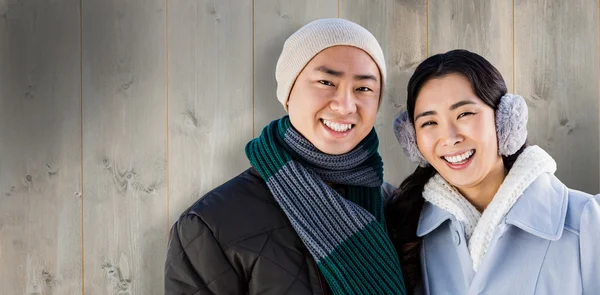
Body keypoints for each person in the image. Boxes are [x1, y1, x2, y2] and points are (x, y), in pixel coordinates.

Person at [165, 18, 406, 295]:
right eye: (326, 82)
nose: (345, 105)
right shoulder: (211, 226)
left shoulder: (399, 211)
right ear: (288, 93)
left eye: (363, 88)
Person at [386, 49, 600, 295]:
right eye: (429, 123)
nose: (450, 137)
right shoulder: (405, 229)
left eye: (465, 114)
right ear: (413, 141)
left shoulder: (588, 224)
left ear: (505, 120)